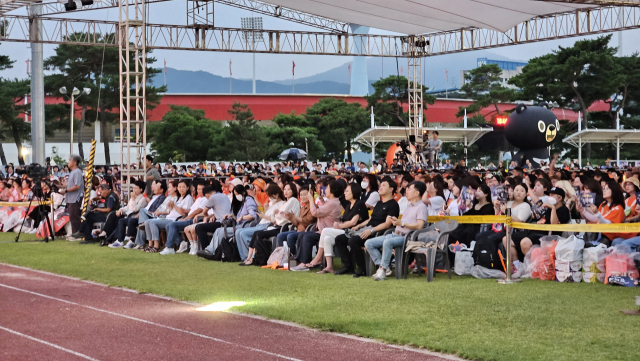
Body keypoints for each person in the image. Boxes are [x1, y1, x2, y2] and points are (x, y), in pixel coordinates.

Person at [365, 181, 428, 281]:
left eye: (409, 189)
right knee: (369, 243)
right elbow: (403, 222)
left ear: (417, 193)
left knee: (387, 242)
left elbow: (420, 225)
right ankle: (384, 266)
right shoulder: (409, 205)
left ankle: (382, 269)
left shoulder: (421, 207)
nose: (406, 191)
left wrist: (401, 223)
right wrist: (396, 221)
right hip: (395, 234)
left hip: (407, 237)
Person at [505, 187, 571, 270]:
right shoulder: (547, 208)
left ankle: (533, 269)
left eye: (552, 195)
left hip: (548, 235)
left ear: (560, 198)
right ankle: (517, 266)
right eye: (549, 195)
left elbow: (554, 225)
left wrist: (553, 209)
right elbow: (540, 219)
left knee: (525, 242)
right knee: (506, 240)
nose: (549, 196)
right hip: (534, 230)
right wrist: (535, 215)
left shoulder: (564, 210)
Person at [308, 183, 368, 274]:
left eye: (347, 191)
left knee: (325, 230)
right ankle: (330, 266)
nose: (345, 193)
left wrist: (339, 225)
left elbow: (353, 222)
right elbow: (345, 220)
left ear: (354, 192)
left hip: (355, 232)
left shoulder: (359, 204)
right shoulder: (348, 206)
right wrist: (339, 224)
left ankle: (318, 257)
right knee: (327, 238)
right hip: (346, 231)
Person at [290, 180, 344, 271]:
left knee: (307, 236)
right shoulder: (332, 202)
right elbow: (326, 212)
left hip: (326, 231)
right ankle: (302, 262)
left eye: (327, 188)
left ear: (332, 191)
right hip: (322, 230)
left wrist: (311, 200)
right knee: (302, 235)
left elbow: (314, 213)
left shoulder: (332, 203)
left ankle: (304, 263)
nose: (325, 190)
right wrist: (323, 203)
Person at [244, 183, 301, 266]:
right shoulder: (285, 202)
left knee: (259, 234)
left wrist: (276, 215)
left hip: (283, 227)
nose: (286, 191)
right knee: (257, 233)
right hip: (277, 225)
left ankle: (258, 258)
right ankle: (250, 258)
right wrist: (276, 215)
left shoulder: (293, 200)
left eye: (289, 189)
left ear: (293, 191)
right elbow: (276, 217)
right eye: (285, 189)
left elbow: (281, 216)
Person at [197, 184, 258, 260]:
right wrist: (232, 216)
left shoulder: (248, 200)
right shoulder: (241, 202)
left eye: (237, 194)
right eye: (235, 194)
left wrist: (242, 217)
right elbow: (238, 218)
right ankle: (209, 250)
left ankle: (211, 251)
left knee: (222, 231)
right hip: (239, 224)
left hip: (246, 225)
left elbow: (253, 215)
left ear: (243, 192)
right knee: (218, 230)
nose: (237, 196)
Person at [235, 184, 285, 262]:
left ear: (276, 195)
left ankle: (248, 256)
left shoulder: (282, 204)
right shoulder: (271, 204)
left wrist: (263, 216)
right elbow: (265, 215)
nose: (270, 198)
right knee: (238, 232)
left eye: (270, 196)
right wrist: (265, 209)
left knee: (242, 233)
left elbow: (275, 220)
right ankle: (243, 256)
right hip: (261, 223)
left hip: (267, 225)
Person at [578, 180, 635, 246]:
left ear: (614, 191)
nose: (604, 191)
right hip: (597, 233)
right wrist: (583, 210)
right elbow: (596, 219)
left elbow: (607, 224)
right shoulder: (603, 204)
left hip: (607, 238)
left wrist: (597, 213)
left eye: (607, 189)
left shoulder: (619, 208)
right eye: (603, 189)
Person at [145, 180, 193, 253]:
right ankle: (151, 244)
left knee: (152, 222)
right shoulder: (179, 198)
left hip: (175, 219)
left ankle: (157, 246)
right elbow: (172, 211)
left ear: (187, 188)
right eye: (179, 187)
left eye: (183, 187)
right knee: (147, 221)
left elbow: (183, 213)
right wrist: (171, 206)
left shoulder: (188, 198)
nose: (181, 189)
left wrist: (173, 205)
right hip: (169, 217)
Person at [160, 182, 207, 255]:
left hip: (193, 219)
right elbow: (190, 210)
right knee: (168, 225)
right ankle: (181, 242)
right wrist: (183, 210)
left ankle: (169, 247)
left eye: (201, 189)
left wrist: (186, 217)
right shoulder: (198, 199)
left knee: (172, 225)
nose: (199, 191)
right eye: (198, 189)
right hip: (188, 217)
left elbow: (197, 211)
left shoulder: (205, 199)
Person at [118, 179, 167, 249]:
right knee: (134, 220)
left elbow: (156, 209)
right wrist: (140, 213)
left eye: (156, 186)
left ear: (162, 190)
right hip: (144, 215)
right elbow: (146, 208)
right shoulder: (153, 196)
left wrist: (143, 211)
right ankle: (127, 240)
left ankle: (139, 242)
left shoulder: (162, 197)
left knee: (140, 220)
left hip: (151, 216)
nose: (154, 187)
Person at [185, 180, 230, 254]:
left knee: (199, 227)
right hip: (228, 221)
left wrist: (206, 216)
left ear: (207, 195)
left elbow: (204, 211)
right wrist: (212, 215)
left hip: (221, 222)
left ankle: (206, 249)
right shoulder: (224, 195)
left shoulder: (213, 198)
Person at [102, 180, 148, 247]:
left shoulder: (142, 199)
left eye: (136, 188)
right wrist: (121, 209)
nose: (134, 190)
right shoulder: (133, 197)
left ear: (141, 189)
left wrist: (133, 199)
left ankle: (131, 240)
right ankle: (119, 240)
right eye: (133, 188)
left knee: (127, 220)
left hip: (135, 216)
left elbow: (136, 209)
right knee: (118, 218)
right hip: (129, 215)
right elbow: (127, 207)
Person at [61, 154, 84, 239]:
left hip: (75, 198)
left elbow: (77, 186)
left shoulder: (77, 172)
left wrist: (66, 190)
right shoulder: (72, 172)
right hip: (71, 198)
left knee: (75, 216)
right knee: (72, 216)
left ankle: (77, 234)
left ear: (74, 162)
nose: (68, 162)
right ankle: (74, 233)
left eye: (69, 160)